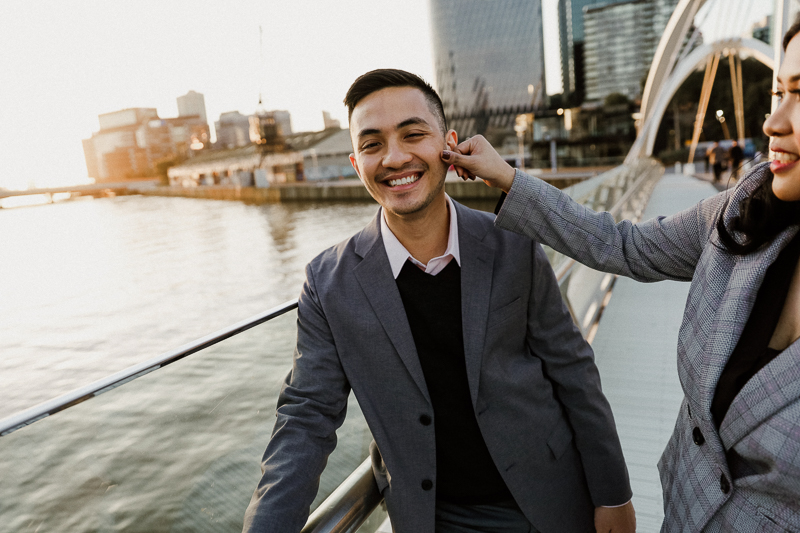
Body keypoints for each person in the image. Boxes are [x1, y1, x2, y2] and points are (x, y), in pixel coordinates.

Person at [441, 19, 800, 533]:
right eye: (778, 92)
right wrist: (507, 178)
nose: (773, 123)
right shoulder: (744, 213)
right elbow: (623, 245)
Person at [242, 69, 635, 533]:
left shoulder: (512, 242)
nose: (394, 157)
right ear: (356, 163)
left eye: (413, 135)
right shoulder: (329, 283)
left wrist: (613, 493)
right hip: (435, 516)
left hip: (552, 494)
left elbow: (573, 370)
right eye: (372, 144)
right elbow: (306, 417)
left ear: (449, 146)